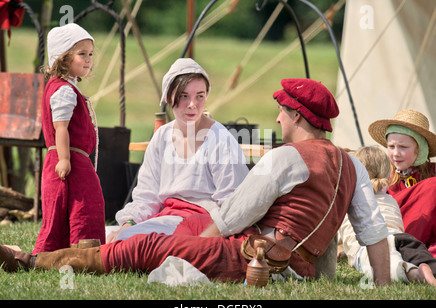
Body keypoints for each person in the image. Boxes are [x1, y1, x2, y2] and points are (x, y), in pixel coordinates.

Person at [0, 78, 391, 286]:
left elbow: (237, 213)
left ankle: (33, 262)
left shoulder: (285, 157)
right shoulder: (351, 165)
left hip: (259, 260)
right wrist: (386, 286)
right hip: (295, 266)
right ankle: (69, 255)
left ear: (296, 115)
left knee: (149, 246)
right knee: (145, 240)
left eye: (281, 113)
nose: (276, 121)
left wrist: (189, 247)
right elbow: (373, 231)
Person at [106, 58, 248, 242]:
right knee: (107, 234)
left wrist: (210, 234)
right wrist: (129, 224)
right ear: (168, 97)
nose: (192, 105)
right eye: (184, 96)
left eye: (200, 96)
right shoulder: (162, 137)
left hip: (203, 223)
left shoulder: (219, 138)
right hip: (168, 217)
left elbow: (232, 201)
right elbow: (147, 195)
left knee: (135, 240)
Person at [32, 23, 105, 255]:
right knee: (81, 206)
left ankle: (75, 252)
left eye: (90, 54)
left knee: (77, 208)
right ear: (63, 58)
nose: (88, 59)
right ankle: (79, 253)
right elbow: (60, 127)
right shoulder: (63, 90)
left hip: (74, 160)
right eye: (81, 54)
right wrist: (64, 159)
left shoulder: (66, 87)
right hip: (68, 160)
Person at [338, 145, 436, 285]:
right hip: (401, 237)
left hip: (369, 246)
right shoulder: (390, 200)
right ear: (387, 174)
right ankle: (429, 267)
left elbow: (343, 236)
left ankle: (413, 273)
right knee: (417, 252)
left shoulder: (350, 202)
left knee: (385, 265)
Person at [368, 109, 436, 258]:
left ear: (420, 149)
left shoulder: (432, 172)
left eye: (403, 147)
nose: (396, 153)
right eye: (391, 147)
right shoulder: (384, 175)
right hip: (397, 232)